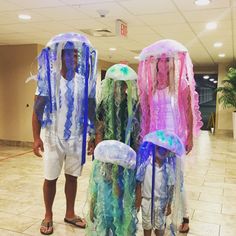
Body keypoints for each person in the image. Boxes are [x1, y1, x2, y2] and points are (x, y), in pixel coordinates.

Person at [32, 33, 97, 235]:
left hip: (77, 137)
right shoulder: (48, 81)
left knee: (72, 177)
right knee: (50, 177)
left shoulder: (83, 82)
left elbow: (91, 110)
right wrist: (36, 138)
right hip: (52, 137)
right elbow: (36, 110)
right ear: (61, 56)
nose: (72, 58)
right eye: (68, 55)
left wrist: (93, 136)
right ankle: (48, 215)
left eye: (76, 55)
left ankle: (70, 213)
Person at [138, 39, 203, 233]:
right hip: (156, 140)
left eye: (168, 60)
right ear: (156, 63)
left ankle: (184, 215)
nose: (164, 64)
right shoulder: (150, 88)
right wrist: (146, 140)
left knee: (177, 178)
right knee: (158, 177)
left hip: (174, 139)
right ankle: (163, 207)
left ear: (173, 63)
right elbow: (147, 114)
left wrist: (189, 136)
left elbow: (189, 112)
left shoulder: (180, 86)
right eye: (161, 60)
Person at [136, 130, 185, 236]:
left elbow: (170, 188)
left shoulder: (168, 169)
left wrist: (169, 205)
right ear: (153, 148)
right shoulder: (145, 166)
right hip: (147, 201)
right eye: (159, 148)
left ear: (168, 152)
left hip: (161, 203)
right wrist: (138, 200)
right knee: (147, 226)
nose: (162, 151)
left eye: (165, 150)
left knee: (160, 228)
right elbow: (138, 183)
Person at [86, 140, 137, 236]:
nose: (106, 170)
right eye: (105, 166)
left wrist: (114, 179)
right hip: (102, 213)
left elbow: (118, 194)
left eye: (111, 168)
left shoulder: (120, 181)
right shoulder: (99, 178)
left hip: (116, 216)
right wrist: (92, 210)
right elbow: (94, 194)